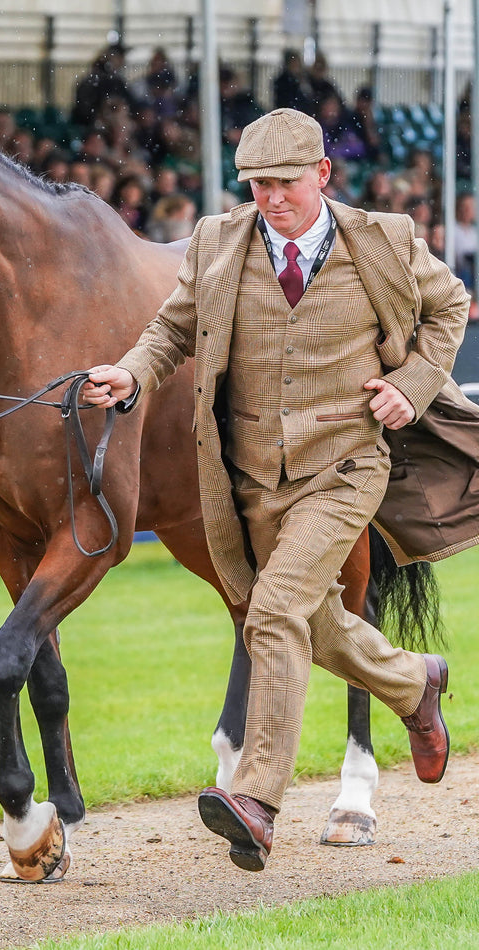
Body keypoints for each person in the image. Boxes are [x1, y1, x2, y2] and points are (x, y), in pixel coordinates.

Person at [84, 108, 472, 872]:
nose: (272, 198)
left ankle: (256, 800)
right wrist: (131, 373)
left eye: (286, 183)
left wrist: (415, 382)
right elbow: (173, 330)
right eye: (258, 184)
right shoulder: (217, 243)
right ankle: (414, 682)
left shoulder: (383, 240)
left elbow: (450, 304)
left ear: (323, 174)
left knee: (271, 613)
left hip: (345, 467)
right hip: (251, 479)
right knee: (317, 626)